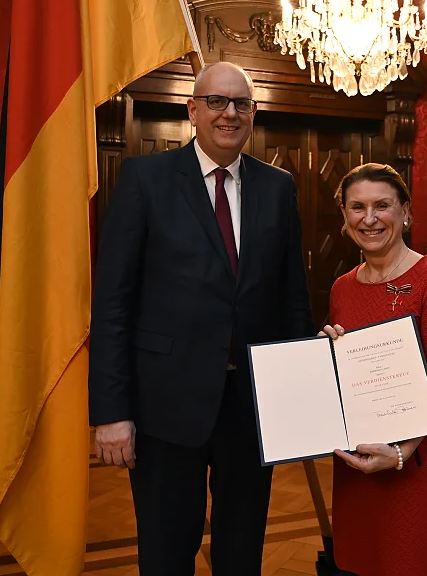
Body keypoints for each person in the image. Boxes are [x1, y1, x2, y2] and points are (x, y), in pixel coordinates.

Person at [88, 61, 313, 575]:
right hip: (165, 407)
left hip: (253, 408)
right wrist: (110, 411)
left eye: (241, 104)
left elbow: (292, 301)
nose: (229, 113)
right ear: (192, 109)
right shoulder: (146, 179)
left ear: (253, 114)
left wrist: (303, 402)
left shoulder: (278, 188)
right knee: (167, 553)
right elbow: (113, 304)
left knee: (241, 553)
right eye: (217, 101)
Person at [319, 163, 427, 575]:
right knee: (356, 561)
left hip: (411, 464)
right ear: (345, 217)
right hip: (356, 464)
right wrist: (324, 356)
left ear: (406, 212)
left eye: (382, 205)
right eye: (357, 207)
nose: (369, 218)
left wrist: (402, 452)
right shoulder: (342, 287)